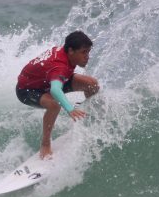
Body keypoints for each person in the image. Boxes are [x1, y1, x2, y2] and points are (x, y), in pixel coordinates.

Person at [16, 30, 100, 159]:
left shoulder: (65, 54)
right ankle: (45, 144)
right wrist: (70, 109)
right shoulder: (59, 66)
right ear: (71, 51)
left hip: (46, 82)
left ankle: (85, 115)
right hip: (27, 90)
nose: (87, 56)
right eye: (83, 52)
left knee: (92, 84)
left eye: (88, 52)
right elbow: (55, 90)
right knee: (54, 104)